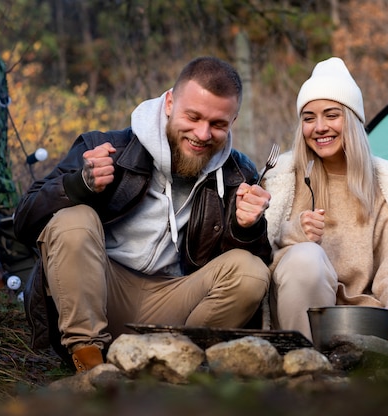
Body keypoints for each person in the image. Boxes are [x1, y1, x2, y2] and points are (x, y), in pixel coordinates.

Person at [14, 56, 273, 373]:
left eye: (218, 124)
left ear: (233, 121)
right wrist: (79, 184)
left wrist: (248, 228)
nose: (203, 134)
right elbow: (23, 221)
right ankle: (91, 365)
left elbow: (251, 267)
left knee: (251, 271)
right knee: (74, 219)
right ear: (169, 103)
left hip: (175, 299)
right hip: (100, 290)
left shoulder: (238, 173)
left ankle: (181, 363)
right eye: (193, 117)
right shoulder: (107, 147)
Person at [263, 57, 388, 356]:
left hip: (359, 316)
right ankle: (305, 370)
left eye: (331, 115)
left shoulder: (385, 189)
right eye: (309, 118)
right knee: (306, 258)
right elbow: (260, 255)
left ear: (352, 119)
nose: (319, 127)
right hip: (298, 314)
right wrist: (295, 232)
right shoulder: (282, 180)